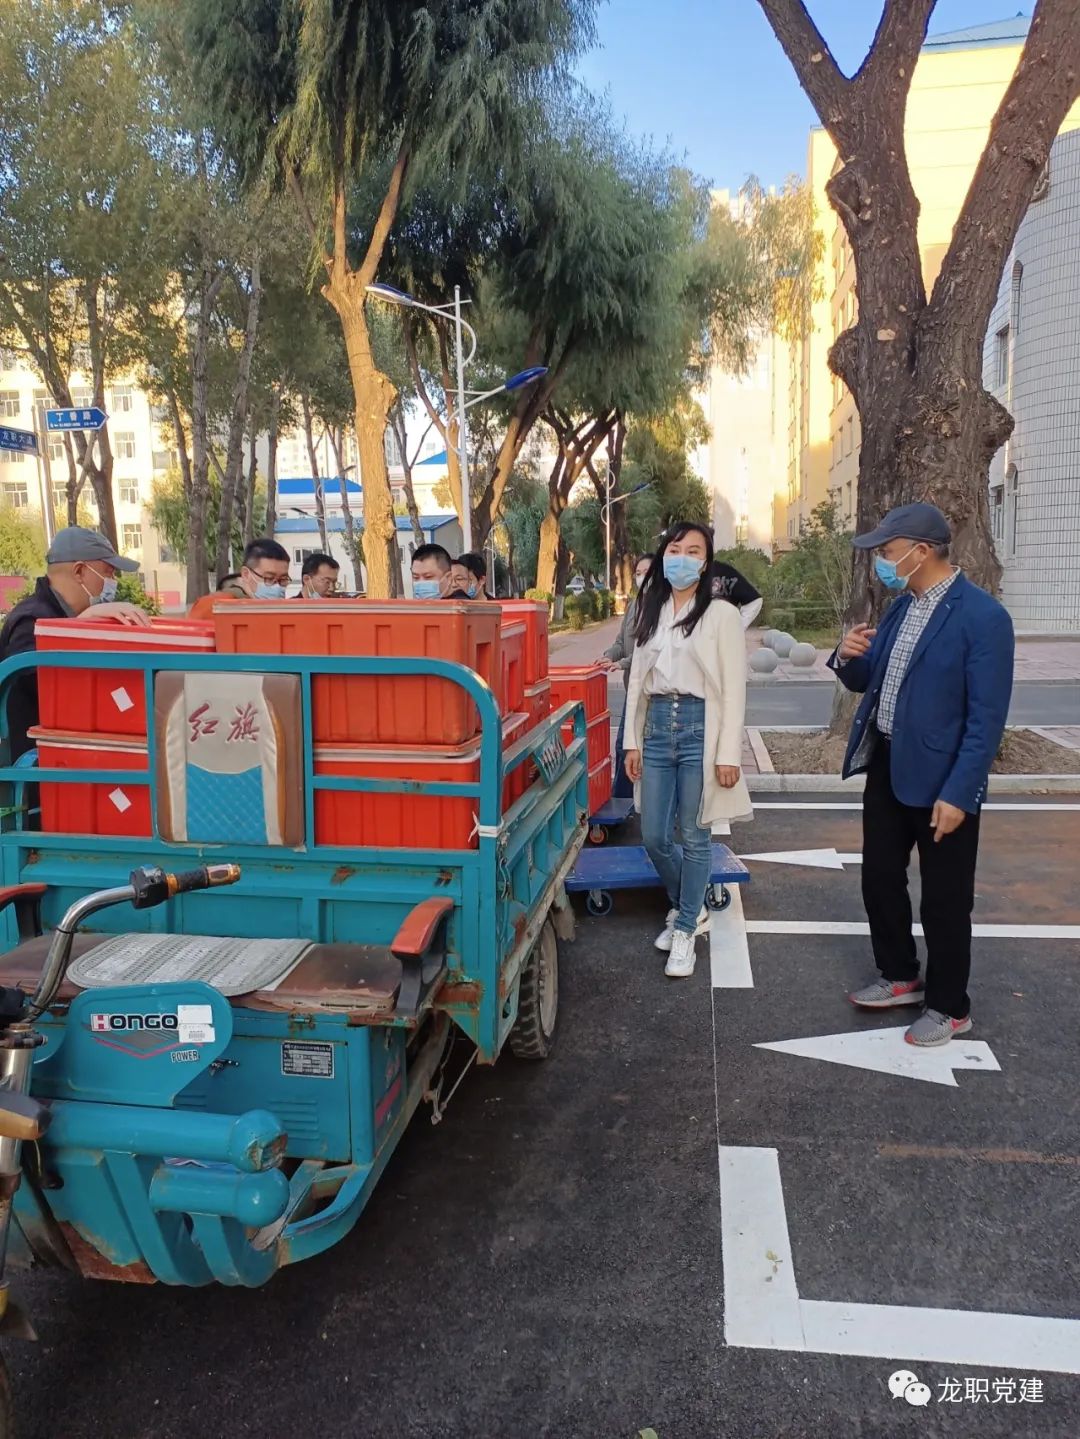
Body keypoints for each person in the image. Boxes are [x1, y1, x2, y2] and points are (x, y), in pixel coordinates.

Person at [830, 502, 1014, 1048]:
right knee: (879, 879)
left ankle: (951, 1007)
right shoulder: (900, 608)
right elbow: (868, 680)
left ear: (922, 551)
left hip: (943, 780)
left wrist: (960, 792)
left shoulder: (983, 618)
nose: (882, 563)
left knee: (945, 899)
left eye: (888, 552)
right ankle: (900, 975)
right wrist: (846, 656)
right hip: (888, 766)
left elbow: (985, 720)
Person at [624, 523, 752, 979]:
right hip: (657, 727)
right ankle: (691, 907)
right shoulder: (651, 609)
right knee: (654, 837)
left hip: (702, 728)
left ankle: (683, 930)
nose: (682, 558)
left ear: (706, 562)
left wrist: (728, 753)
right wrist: (632, 740)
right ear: (664, 555)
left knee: (696, 837)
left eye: (694, 551)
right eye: (675, 549)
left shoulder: (721, 614)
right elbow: (637, 681)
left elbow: (734, 688)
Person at [0, 527, 149, 761]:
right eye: (108, 573)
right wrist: (80, 624)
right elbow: (48, 685)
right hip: (37, 764)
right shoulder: (30, 620)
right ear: (79, 571)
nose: (112, 583)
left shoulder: (67, 616)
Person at [598, 554, 654, 801]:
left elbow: (649, 651)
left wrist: (621, 663)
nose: (642, 577)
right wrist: (608, 656)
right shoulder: (634, 605)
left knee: (628, 745)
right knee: (625, 746)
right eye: (639, 573)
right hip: (632, 690)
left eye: (647, 572)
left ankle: (623, 800)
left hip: (650, 692)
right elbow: (622, 642)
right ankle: (625, 799)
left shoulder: (662, 609)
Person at [188, 539, 293, 619]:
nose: (277, 587)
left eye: (283, 580)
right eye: (269, 578)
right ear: (246, 574)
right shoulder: (213, 607)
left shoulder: (283, 611)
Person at [710, 560, 763, 629]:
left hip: (751, 603)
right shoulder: (716, 569)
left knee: (733, 631)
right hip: (725, 609)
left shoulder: (718, 570)